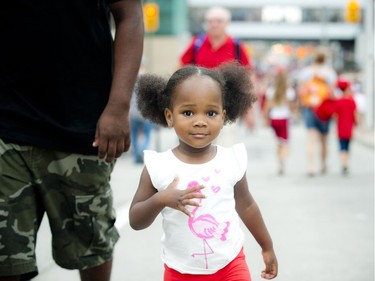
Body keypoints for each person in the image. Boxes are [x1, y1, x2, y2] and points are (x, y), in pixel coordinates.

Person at [0, 1, 144, 281]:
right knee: (5, 256)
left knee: (92, 249)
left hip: (83, 127)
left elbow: (130, 15)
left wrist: (118, 106)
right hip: (6, 122)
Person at [129, 63, 278, 281]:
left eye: (211, 112)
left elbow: (246, 205)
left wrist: (267, 245)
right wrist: (160, 199)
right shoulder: (158, 166)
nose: (200, 121)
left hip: (230, 265)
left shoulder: (231, 160)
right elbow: (135, 220)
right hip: (180, 271)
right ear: (169, 117)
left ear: (223, 116)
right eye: (188, 112)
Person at [179, 6, 254, 146]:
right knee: (199, 145)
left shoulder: (236, 46)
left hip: (228, 105)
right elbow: (180, 67)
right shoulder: (197, 43)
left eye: (218, 21)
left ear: (226, 23)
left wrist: (249, 110)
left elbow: (248, 78)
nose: (214, 24)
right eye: (210, 21)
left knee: (225, 145)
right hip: (198, 104)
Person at [297, 50, 337, 176]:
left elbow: (301, 92)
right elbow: (332, 93)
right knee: (324, 139)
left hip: (310, 108)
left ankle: (311, 167)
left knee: (311, 138)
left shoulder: (306, 72)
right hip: (324, 110)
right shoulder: (330, 73)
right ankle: (323, 163)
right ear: (325, 59)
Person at [263, 70, 296, 175]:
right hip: (284, 118)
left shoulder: (271, 91)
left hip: (274, 118)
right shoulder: (289, 92)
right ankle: (283, 161)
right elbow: (291, 107)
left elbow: (267, 107)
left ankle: (279, 160)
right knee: (285, 142)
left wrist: (266, 119)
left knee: (278, 142)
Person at [130, 61, 154, 164]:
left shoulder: (130, 79)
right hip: (146, 113)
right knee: (147, 134)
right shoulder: (148, 80)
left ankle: (136, 156)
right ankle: (142, 150)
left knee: (134, 135)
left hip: (133, 112)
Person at [334, 79, 359, 175]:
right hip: (349, 127)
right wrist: (359, 125)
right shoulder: (351, 101)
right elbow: (355, 114)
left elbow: (335, 115)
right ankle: (346, 163)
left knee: (342, 146)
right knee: (347, 147)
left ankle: (344, 163)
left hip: (340, 127)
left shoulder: (339, 101)